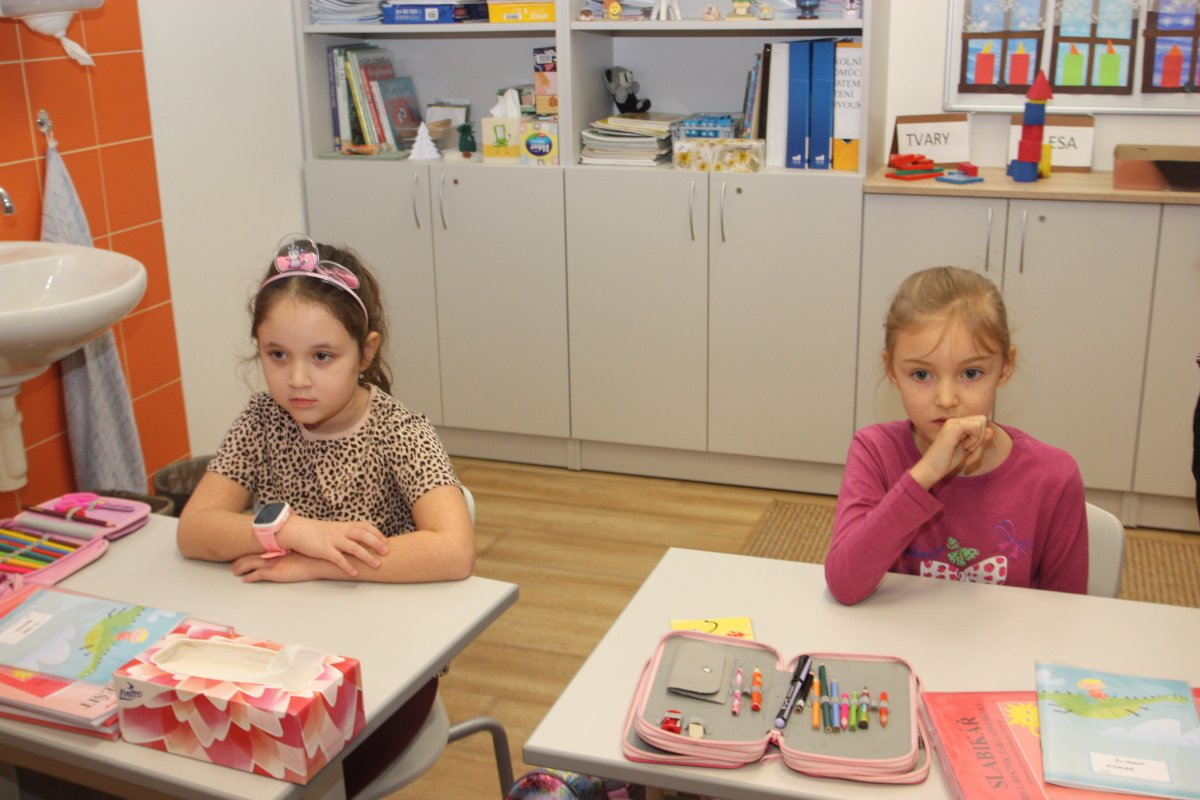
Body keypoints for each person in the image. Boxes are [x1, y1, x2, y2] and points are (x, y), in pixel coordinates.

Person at [176, 234, 474, 796]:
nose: (297, 379)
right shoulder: (262, 420)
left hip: (385, 677)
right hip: (280, 657)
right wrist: (292, 531)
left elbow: (454, 549)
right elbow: (195, 529)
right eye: (277, 355)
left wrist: (316, 563)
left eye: (322, 357)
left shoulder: (399, 431)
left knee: (290, 781)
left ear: (366, 352)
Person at [825, 266, 1087, 606]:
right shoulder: (875, 451)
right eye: (922, 374)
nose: (947, 399)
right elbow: (845, 585)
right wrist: (924, 476)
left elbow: (1067, 615)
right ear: (891, 370)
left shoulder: (1054, 476)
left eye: (971, 373)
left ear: (1005, 367)